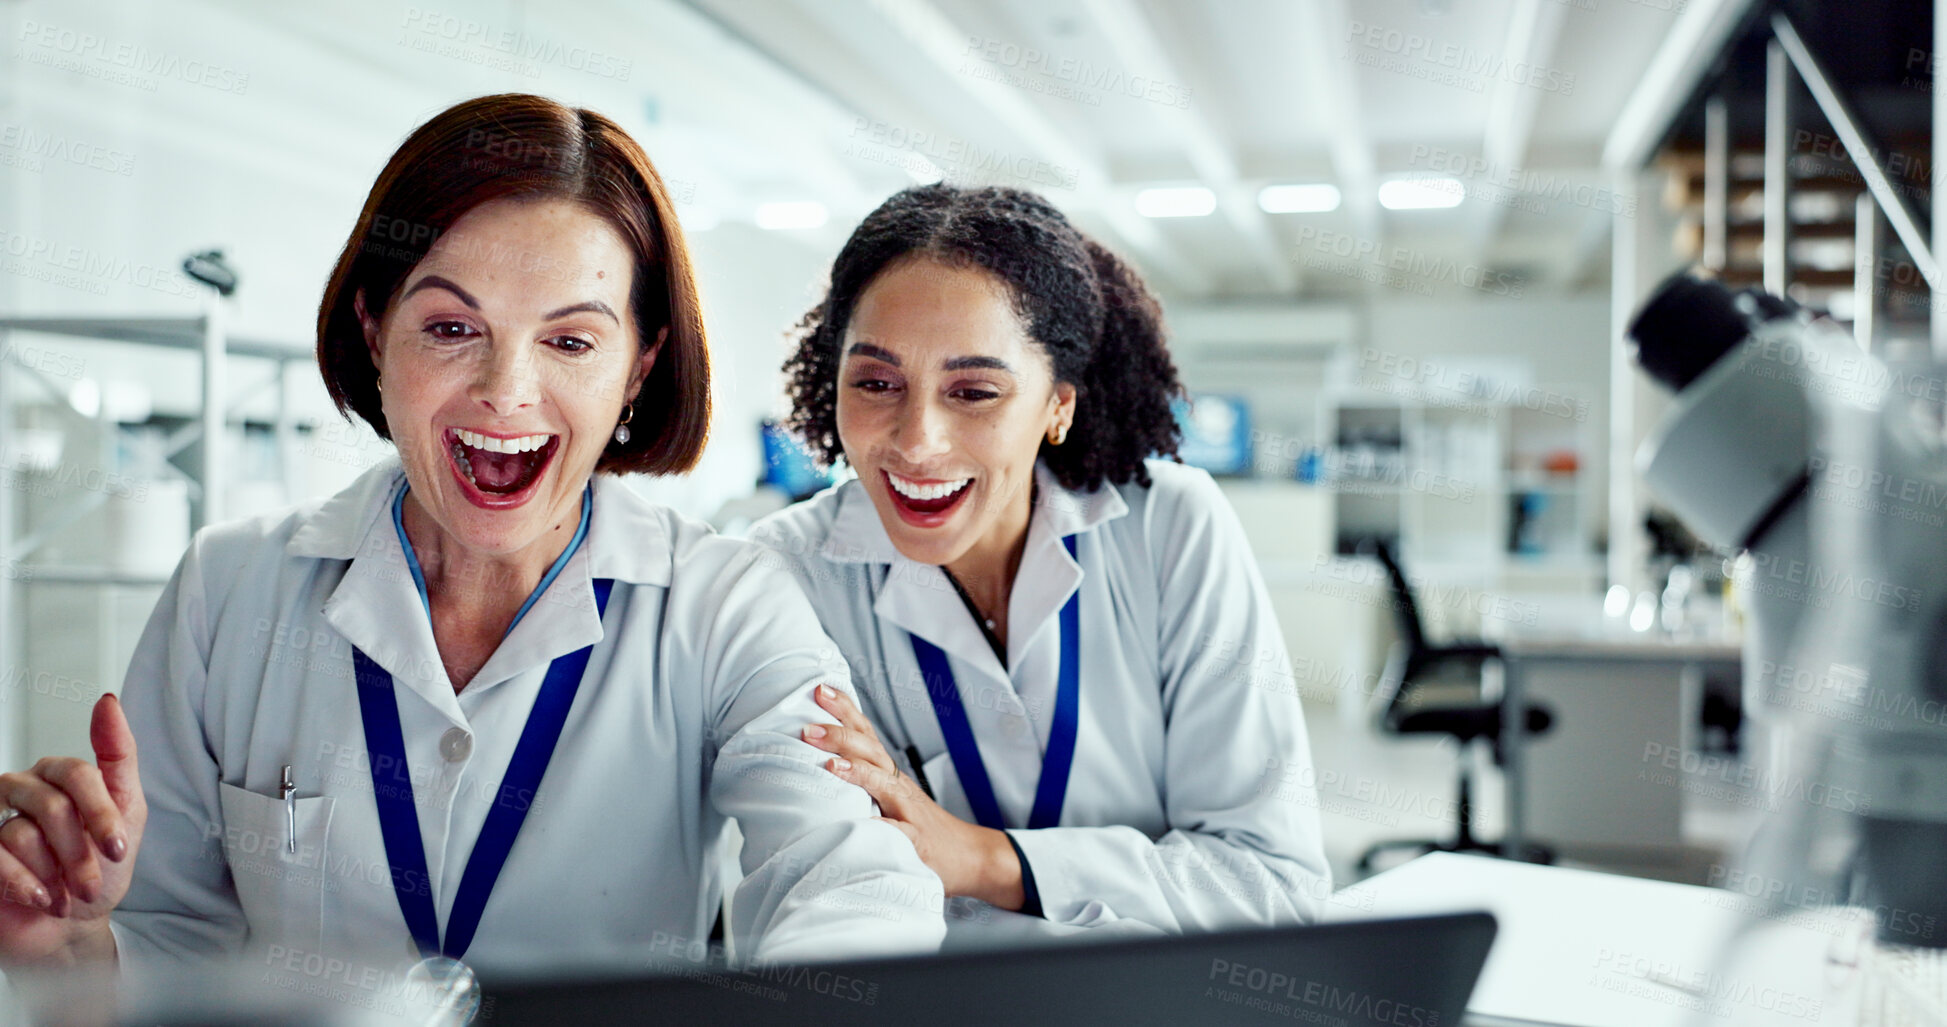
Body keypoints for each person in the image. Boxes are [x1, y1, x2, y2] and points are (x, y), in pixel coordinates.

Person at [0, 94, 944, 990]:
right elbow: (167, 941)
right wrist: (65, 942)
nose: (506, 390)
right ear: (374, 332)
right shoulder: (229, 586)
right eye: (451, 327)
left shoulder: (727, 604)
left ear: (639, 366)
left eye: (571, 342)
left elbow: (849, 883)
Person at [749, 184, 1331, 941]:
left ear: (1057, 404)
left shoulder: (1170, 527)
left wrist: (981, 858)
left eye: (975, 390)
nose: (917, 439)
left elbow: (1271, 884)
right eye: (876, 383)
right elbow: (820, 890)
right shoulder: (786, 574)